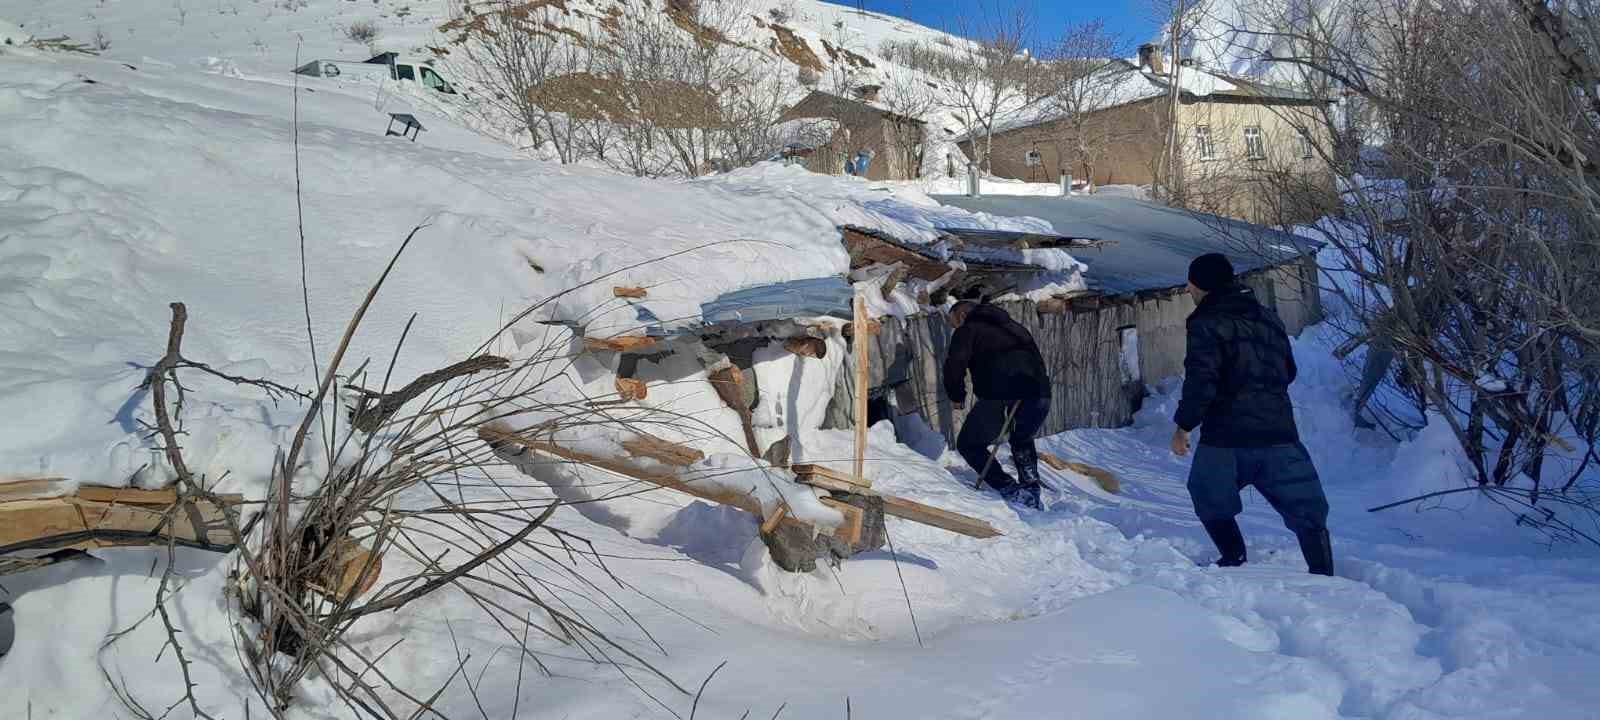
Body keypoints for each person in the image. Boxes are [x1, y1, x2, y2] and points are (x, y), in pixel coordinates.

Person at [1170, 253, 1334, 576]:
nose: (1189, 290)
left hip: (1227, 437)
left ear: (1202, 285)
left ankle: (1233, 559)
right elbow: (1288, 370)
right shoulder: (1267, 317)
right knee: (1307, 508)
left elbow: (1202, 381)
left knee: (1207, 494)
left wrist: (1184, 426)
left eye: (1191, 284)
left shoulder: (1206, 323)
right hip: (1278, 433)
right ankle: (1324, 574)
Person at [944, 300, 1052, 509]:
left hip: (1001, 395)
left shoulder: (968, 329)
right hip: (1040, 393)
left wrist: (956, 396)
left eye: (954, 322)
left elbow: (954, 365)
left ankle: (1010, 489)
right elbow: (1038, 361)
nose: (955, 328)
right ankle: (1030, 490)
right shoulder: (1015, 327)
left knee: (969, 444)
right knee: (1022, 438)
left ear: (962, 315)